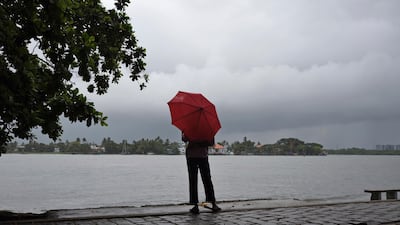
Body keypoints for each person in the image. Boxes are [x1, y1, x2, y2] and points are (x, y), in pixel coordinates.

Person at [182, 132, 221, 214]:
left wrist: (193, 140)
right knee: (207, 180)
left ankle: (195, 205)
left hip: (192, 156)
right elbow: (211, 143)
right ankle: (213, 203)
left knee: (193, 180)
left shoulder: (189, 126)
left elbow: (184, 139)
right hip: (202, 156)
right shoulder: (207, 128)